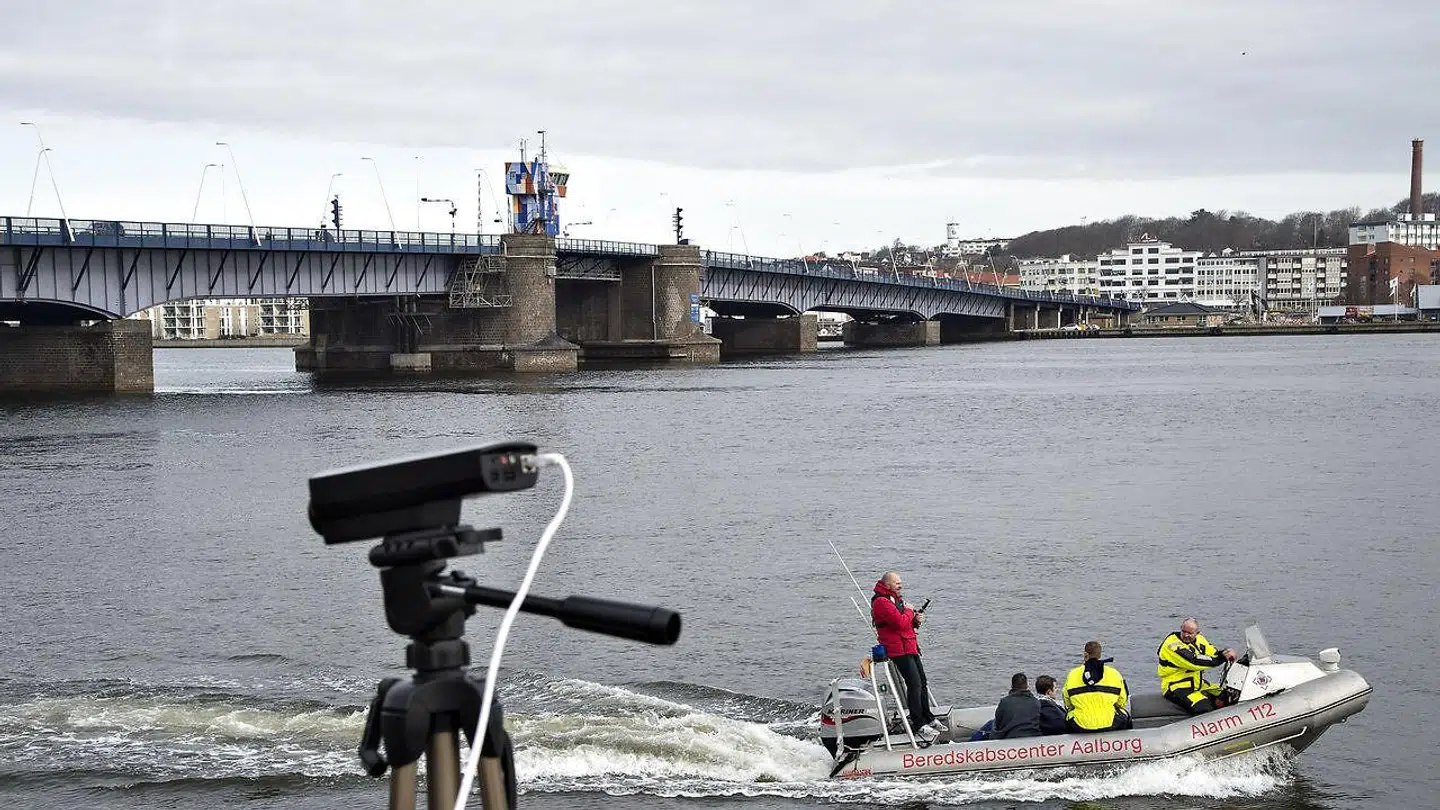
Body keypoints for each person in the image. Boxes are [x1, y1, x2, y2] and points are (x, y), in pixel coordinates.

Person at [871, 571, 943, 737]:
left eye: (900, 582)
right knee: (914, 684)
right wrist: (910, 612)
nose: (900, 585)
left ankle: (928, 717)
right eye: (897, 583)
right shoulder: (881, 602)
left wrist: (916, 620)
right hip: (897, 649)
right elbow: (899, 623)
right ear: (887, 584)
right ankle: (918, 722)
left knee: (922, 682)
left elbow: (907, 623)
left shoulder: (895, 599)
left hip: (909, 646)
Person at [1157, 617, 1237, 714]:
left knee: (1230, 697)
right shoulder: (1172, 645)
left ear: (1197, 633)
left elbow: (1213, 654)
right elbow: (1194, 661)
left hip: (1197, 684)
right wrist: (1221, 658)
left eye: (1190, 633)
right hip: (1176, 687)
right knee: (1204, 708)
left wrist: (1226, 652)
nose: (1186, 635)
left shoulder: (1200, 640)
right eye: (1184, 631)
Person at [1063, 641, 1133, 733]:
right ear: (1100, 655)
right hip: (1111, 724)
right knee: (1125, 714)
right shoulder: (1114, 673)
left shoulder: (1072, 674)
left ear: (1085, 654)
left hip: (1080, 725)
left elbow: (1068, 703)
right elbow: (1122, 702)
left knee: (1068, 715)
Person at [993, 672, 1042, 739]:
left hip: (1011, 737)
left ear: (1012, 685)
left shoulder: (1005, 702)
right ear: (1027, 685)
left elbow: (998, 723)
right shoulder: (1035, 702)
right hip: (1033, 736)